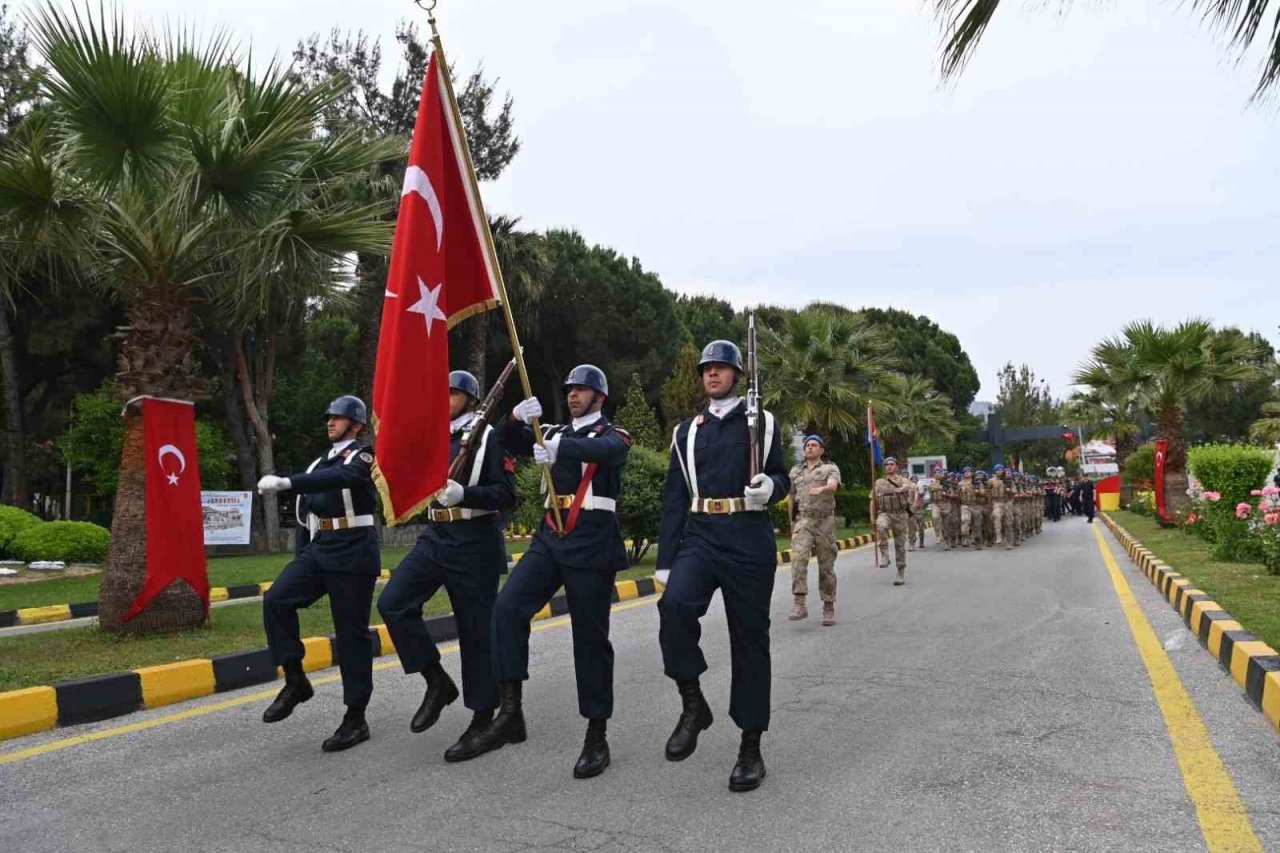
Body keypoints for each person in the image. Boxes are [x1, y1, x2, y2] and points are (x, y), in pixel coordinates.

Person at [470, 365, 631, 779]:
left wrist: (562, 449)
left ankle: (597, 734)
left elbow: (610, 452)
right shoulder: (554, 431)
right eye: (570, 389)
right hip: (550, 537)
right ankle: (510, 713)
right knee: (506, 609)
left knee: (590, 641)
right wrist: (514, 419)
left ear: (600, 398)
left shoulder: (611, 434)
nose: (574, 394)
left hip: (592, 542)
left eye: (582, 390)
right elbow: (504, 441)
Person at [657, 340, 789, 793]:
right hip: (700, 532)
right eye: (706, 369)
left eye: (720, 368)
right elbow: (675, 496)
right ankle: (693, 704)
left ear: (736, 374)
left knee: (750, 640)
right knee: (673, 607)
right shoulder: (686, 432)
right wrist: (664, 559)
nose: (712, 374)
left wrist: (770, 486)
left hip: (748, 537)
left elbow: (784, 475)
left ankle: (750, 747)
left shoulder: (763, 423)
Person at [375, 371, 516, 763]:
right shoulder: (438, 438)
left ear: (471, 399)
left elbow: (507, 494)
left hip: (475, 541)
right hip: (436, 538)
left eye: (453, 392)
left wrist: (465, 493)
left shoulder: (488, 435)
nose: (445, 397)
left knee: (476, 634)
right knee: (393, 602)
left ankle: (482, 719)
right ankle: (436, 681)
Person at [257, 395, 380, 753]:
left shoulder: (363, 455)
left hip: (355, 548)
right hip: (321, 546)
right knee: (277, 599)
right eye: (328, 416)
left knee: (350, 634)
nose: (330, 422)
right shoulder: (317, 463)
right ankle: (295, 680)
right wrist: (302, 557)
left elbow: (345, 477)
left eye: (338, 418)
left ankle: (355, 717)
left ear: (355, 425)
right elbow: (305, 516)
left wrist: (286, 483)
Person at [787, 435, 842, 626]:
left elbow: (833, 485)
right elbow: (791, 498)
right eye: (807, 445)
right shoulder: (795, 471)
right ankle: (799, 603)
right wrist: (791, 524)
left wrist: (824, 489)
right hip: (804, 520)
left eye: (814, 445)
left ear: (821, 450)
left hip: (825, 521)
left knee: (826, 566)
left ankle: (828, 606)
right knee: (799, 559)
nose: (810, 448)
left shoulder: (830, 468)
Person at [874, 456, 912, 584]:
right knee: (881, 526)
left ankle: (900, 572)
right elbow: (872, 500)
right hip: (885, 513)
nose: (889, 466)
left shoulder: (902, 480)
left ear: (896, 466)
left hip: (900, 515)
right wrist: (872, 517)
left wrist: (903, 488)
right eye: (887, 464)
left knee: (900, 545)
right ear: (884, 467)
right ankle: (885, 555)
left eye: (892, 464)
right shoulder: (879, 482)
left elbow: (907, 486)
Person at [989, 464, 1012, 549]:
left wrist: (1009, 491)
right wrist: (989, 505)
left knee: (1008, 522)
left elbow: (1014, 492)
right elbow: (988, 493)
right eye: (997, 470)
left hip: (1007, 503)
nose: (999, 471)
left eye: (1001, 470)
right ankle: (998, 535)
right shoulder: (991, 481)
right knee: (996, 515)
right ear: (995, 471)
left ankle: (1008, 542)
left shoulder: (1008, 480)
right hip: (997, 502)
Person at [929, 466, 952, 551]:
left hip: (946, 504)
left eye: (939, 472)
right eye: (935, 472)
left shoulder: (947, 483)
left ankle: (946, 542)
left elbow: (953, 494)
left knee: (946, 525)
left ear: (942, 473)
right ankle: (938, 535)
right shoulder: (931, 484)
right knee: (935, 517)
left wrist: (947, 494)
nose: (937, 474)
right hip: (936, 504)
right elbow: (930, 495)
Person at [957, 467, 977, 549]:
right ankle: (965, 538)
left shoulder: (976, 482)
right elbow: (957, 495)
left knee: (976, 523)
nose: (967, 473)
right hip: (965, 505)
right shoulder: (960, 484)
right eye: (965, 472)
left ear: (972, 473)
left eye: (969, 471)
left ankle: (975, 538)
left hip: (975, 504)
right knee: (965, 521)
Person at [906, 475, 925, 551]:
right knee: (911, 526)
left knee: (921, 526)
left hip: (919, 510)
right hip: (910, 508)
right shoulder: (908, 487)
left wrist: (918, 488)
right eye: (912, 479)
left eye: (915, 479)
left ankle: (921, 541)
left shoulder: (920, 486)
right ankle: (911, 542)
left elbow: (921, 493)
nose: (914, 480)